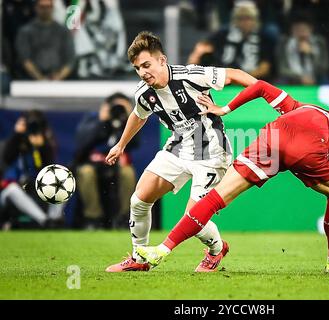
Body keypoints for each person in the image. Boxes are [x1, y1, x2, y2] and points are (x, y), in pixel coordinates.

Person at [135, 80, 329, 273]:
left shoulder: (298, 107)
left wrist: (224, 108)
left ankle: (162, 249)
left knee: (217, 197)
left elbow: (260, 86)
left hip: (271, 138)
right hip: (306, 149)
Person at [104, 31, 258, 272]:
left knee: (194, 219)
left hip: (211, 152)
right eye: (137, 68)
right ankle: (139, 258)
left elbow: (235, 75)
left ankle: (217, 250)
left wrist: (266, 97)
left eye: (147, 65)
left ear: (162, 60)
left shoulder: (191, 76)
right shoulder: (144, 92)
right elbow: (138, 114)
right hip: (177, 149)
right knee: (139, 200)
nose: (143, 72)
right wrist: (120, 144)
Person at [74, 93, 137, 229]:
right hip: (92, 164)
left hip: (117, 163)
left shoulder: (128, 121)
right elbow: (82, 142)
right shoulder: (93, 118)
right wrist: (101, 122)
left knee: (128, 173)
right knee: (86, 172)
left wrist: (127, 120)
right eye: (115, 106)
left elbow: (135, 143)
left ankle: (124, 217)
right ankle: (93, 218)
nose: (117, 110)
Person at [187, 1, 275, 80]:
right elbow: (201, 50)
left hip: (251, 80)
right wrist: (195, 57)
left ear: (255, 20)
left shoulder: (264, 38)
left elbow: (265, 68)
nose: (245, 22)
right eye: (240, 18)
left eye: (248, 18)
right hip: (222, 79)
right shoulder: (222, 35)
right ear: (235, 20)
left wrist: (240, 77)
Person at [15, 0, 75, 80]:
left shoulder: (63, 32)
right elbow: (24, 58)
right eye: (42, 7)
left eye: (48, 7)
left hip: (60, 79)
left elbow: (70, 59)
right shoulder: (25, 31)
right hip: (31, 79)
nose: (45, 10)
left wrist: (59, 77)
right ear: (36, 8)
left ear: (53, 8)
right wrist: (40, 78)